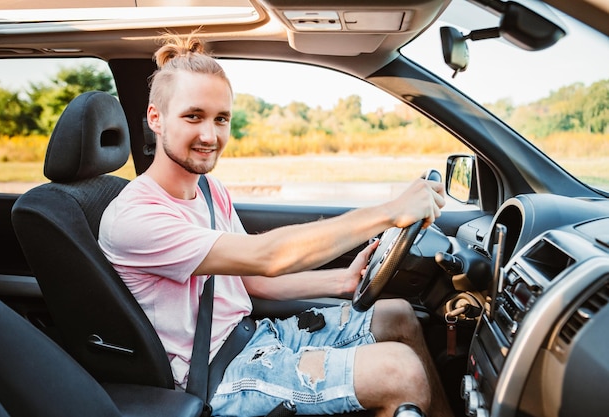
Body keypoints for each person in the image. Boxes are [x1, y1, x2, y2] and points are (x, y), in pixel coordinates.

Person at [98, 34, 452, 417]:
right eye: (193, 116)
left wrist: (341, 282)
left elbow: (253, 281)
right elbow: (265, 257)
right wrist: (389, 211)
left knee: (397, 314)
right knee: (399, 371)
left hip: (255, 337)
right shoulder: (136, 216)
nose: (209, 135)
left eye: (221, 119)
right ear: (156, 118)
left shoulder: (208, 189)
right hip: (217, 377)